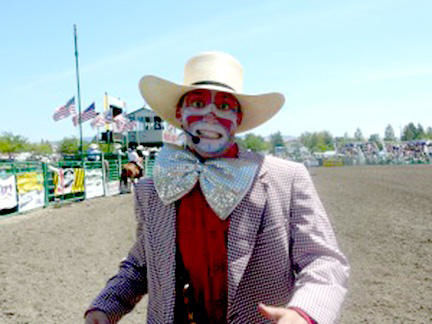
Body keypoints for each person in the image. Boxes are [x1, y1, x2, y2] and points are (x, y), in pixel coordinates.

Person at [85, 51, 349, 324]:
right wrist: (105, 307)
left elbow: (324, 261)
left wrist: (303, 314)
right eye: (198, 103)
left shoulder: (287, 179)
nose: (210, 116)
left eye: (224, 106)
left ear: (239, 119)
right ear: (179, 114)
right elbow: (142, 265)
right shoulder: (153, 190)